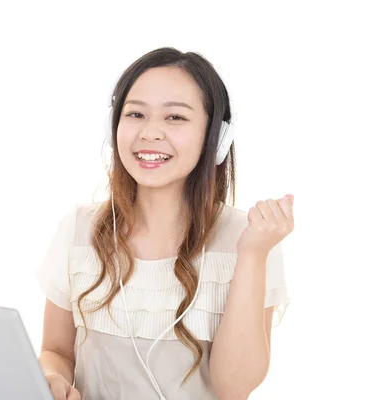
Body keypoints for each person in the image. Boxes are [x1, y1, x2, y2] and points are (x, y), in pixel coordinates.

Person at [35, 47, 294, 400]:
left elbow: (233, 388)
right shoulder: (81, 228)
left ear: (215, 139)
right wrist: (52, 378)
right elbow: (56, 352)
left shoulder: (250, 239)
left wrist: (251, 255)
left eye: (175, 118)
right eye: (136, 114)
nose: (150, 133)